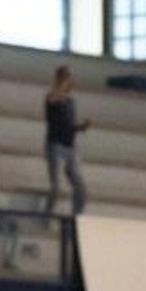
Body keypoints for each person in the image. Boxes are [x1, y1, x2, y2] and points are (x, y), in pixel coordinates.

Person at [45, 65, 89, 215]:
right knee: (57, 187)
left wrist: (80, 127)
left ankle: (76, 217)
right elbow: (52, 100)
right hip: (56, 145)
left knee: (81, 186)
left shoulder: (70, 101)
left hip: (70, 146)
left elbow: (68, 125)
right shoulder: (52, 97)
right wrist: (61, 87)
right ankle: (47, 215)